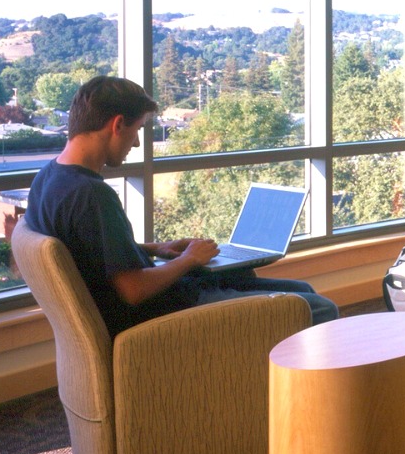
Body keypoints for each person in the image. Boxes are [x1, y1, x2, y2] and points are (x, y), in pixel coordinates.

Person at [23, 76, 337, 338]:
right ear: (118, 124)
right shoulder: (92, 194)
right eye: (138, 130)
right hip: (167, 314)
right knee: (319, 308)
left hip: (164, 300)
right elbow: (133, 290)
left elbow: (89, 252)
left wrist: (156, 248)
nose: (135, 143)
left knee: (299, 288)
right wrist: (188, 260)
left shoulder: (49, 179)